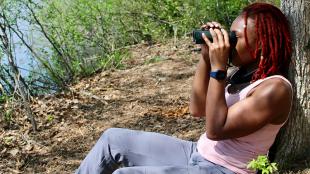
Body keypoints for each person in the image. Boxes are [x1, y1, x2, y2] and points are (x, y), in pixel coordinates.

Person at [75, 3, 293, 174]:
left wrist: (218, 69)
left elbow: (215, 130)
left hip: (224, 170)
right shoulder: (242, 74)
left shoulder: (274, 89)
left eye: (235, 37)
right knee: (113, 140)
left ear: (262, 43)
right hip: (196, 153)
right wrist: (206, 58)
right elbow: (198, 109)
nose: (228, 41)